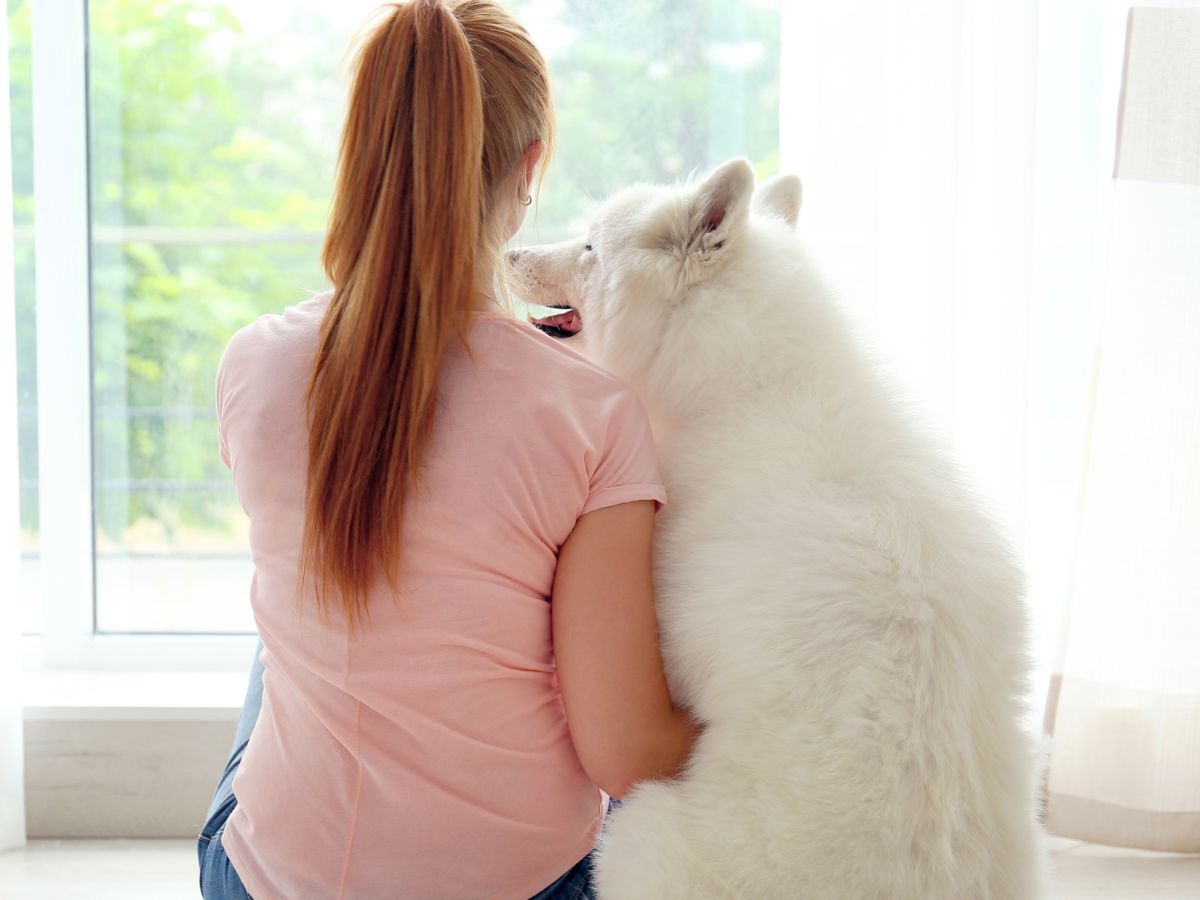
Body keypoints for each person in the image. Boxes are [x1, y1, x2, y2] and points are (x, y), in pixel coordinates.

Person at [195, 1, 700, 898]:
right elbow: (626, 753)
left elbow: (412, 432)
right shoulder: (591, 412)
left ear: (362, 154)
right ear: (531, 165)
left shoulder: (253, 364)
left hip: (270, 880)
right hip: (521, 885)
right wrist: (772, 724)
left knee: (290, 635)